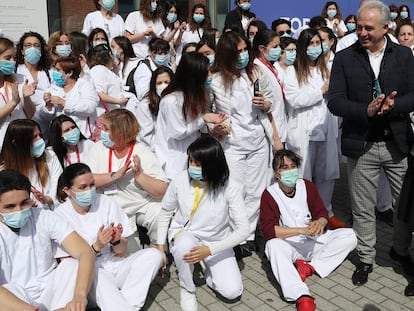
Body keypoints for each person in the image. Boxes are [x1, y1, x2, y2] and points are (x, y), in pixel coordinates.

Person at [327, 0, 414, 286]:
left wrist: (395, 105)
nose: (361, 32)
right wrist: (364, 111)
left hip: (397, 145)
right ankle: (365, 258)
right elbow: (335, 101)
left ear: (386, 28)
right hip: (361, 144)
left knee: (405, 206)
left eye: (368, 27)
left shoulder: (403, 56)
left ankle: (400, 250)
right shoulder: (344, 57)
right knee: (362, 207)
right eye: (359, 26)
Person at [156, 135, 249, 311]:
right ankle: (187, 289)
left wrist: (209, 251)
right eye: (191, 161)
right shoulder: (180, 180)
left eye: (198, 164)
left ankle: (206, 266)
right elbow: (166, 211)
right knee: (183, 245)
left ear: (212, 164)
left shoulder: (231, 186)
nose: (192, 167)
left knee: (232, 292)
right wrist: (161, 246)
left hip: (216, 241)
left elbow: (243, 230)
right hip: (186, 234)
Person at [56, 163, 163, 310]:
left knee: (153, 255)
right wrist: (97, 246)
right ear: (67, 191)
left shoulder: (106, 202)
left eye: (92, 185)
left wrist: (116, 240)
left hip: (113, 263)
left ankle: (124, 304)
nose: (89, 191)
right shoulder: (60, 216)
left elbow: (120, 250)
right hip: (89, 274)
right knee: (103, 281)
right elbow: (67, 264)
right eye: (82, 187)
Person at [260, 149, 357, 311]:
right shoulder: (269, 194)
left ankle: (310, 267)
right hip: (290, 245)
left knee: (350, 235)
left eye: (293, 166)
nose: (290, 171)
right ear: (276, 174)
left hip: (314, 241)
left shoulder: (306, 185)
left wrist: (320, 222)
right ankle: (301, 295)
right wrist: (301, 230)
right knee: (272, 246)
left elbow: (322, 212)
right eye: (284, 167)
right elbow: (269, 230)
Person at [209, 30, 275, 256]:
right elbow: (207, 113)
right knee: (236, 190)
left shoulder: (256, 73)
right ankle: (234, 234)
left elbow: (271, 104)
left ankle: (247, 237)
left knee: (256, 191)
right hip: (232, 144)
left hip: (258, 140)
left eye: (245, 49)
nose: (243, 55)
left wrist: (265, 103)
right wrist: (215, 127)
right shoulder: (217, 80)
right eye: (238, 51)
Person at [0, 169, 95, 310]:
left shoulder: (44, 217)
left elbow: (85, 252)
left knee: (71, 266)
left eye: (24, 203)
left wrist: (79, 296)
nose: (19, 210)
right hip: (15, 302)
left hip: (52, 296)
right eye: (10, 207)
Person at [283, 28, 345, 229]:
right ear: (303, 47)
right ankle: (303, 216)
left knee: (327, 176)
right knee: (303, 178)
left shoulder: (326, 69)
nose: (316, 48)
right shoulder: (292, 71)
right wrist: (321, 91)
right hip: (304, 134)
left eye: (318, 43)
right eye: (311, 44)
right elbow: (295, 100)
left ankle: (326, 214)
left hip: (325, 133)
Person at [85, 108, 169, 251]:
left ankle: (160, 252)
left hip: (141, 204)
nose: (102, 131)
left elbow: (162, 189)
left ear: (120, 133)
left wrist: (139, 175)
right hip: (113, 209)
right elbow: (86, 181)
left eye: (106, 128)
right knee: (130, 254)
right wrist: (114, 176)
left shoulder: (141, 151)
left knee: (159, 213)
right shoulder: (98, 149)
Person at [154, 52, 226, 180]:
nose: (210, 75)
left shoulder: (196, 96)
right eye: (207, 72)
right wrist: (204, 118)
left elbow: (197, 126)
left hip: (193, 157)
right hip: (175, 162)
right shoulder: (171, 101)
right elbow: (178, 132)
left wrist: (213, 128)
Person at [0, 119, 63, 208]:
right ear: (16, 143)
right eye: (34, 137)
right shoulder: (3, 173)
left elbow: (59, 190)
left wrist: (46, 199)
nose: (40, 140)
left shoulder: (50, 156)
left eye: (40, 135)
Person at [43, 56, 99, 138]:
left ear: (69, 73)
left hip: (82, 135)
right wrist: (48, 106)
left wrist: (64, 103)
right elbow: (45, 117)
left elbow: (89, 108)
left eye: (58, 70)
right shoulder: (53, 87)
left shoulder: (85, 85)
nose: (55, 73)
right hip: (59, 137)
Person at [252, 29, 285, 150]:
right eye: (275, 46)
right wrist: (275, 137)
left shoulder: (271, 66)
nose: (279, 49)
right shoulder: (258, 69)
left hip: (280, 127)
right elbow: (264, 105)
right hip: (270, 131)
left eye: (279, 45)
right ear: (262, 48)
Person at [0, 37, 36, 148]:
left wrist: (26, 98)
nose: (12, 62)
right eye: (7, 58)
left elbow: (30, 114)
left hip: (21, 142)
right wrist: (13, 102)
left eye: (14, 58)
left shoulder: (20, 79)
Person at [15, 31, 51, 138]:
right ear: (22, 51)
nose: (33, 49)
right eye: (28, 45)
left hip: (45, 128)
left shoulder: (49, 73)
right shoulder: (16, 72)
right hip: (24, 126)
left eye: (36, 46)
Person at [136, 66, 174, 149]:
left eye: (167, 82)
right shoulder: (145, 105)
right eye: (159, 83)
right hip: (155, 151)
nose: (163, 86)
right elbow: (146, 137)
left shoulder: (177, 102)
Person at [88, 44, 130, 116]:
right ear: (110, 54)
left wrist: (115, 68)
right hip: (105, 115)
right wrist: (118, 101)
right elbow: (99, 93)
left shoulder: (107, 71)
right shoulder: (98, 70)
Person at [132, 37, 171, 102]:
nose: (163, 56)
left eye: (165, 53)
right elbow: (142, 94)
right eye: (160, 53)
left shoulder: (168, 65)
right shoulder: (143, 69)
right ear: (150, 52)